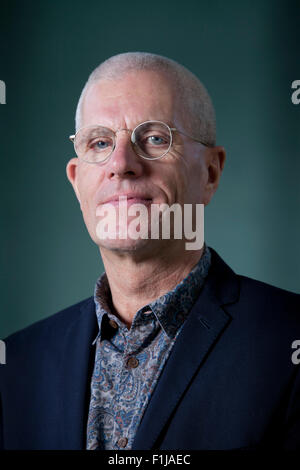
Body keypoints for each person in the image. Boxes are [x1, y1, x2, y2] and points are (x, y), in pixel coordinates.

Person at [0, 52, 299, 451]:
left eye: (155, 138)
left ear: (210, 173)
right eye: (100, 142)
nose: (121, 164)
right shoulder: (16, 363)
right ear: (76, 180)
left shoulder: (289, 342)